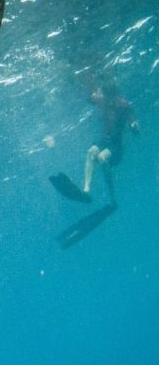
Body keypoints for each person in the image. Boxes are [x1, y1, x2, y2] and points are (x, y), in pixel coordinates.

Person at [50, 82, 139, 247]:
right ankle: (86, 191)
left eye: (109, 98)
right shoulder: (102, 99)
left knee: (102, 158)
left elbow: (132, 120)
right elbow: (90, 97)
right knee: (92, 152)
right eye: (106, 98)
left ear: (114, 96)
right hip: (103, 140)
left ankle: (113, 199)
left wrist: (134, 126)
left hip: (116, 146)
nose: (107, 101)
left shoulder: (123, 104)